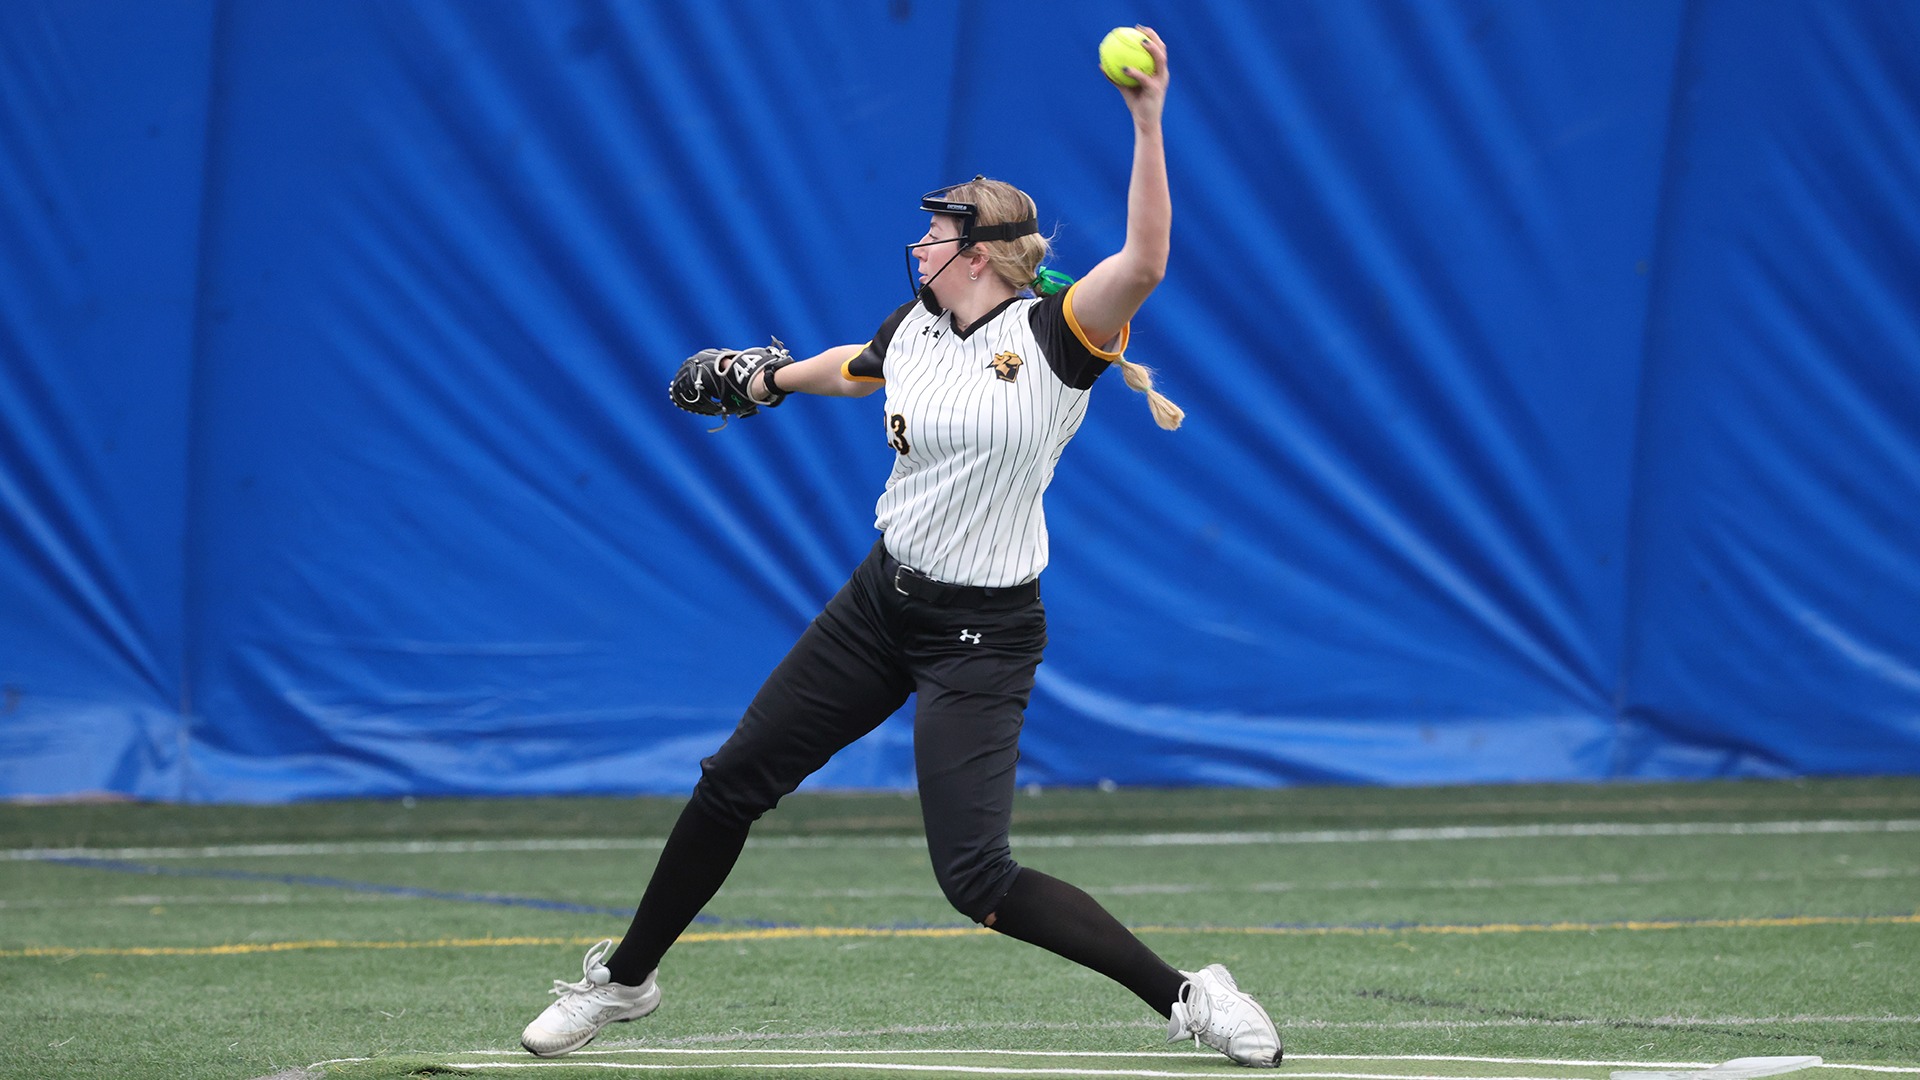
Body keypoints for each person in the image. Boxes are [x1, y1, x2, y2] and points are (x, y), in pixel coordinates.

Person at [519, 26, 1281, 1069]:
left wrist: (1148, 122)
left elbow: (1144, 259)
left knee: (976, 878)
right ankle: (623, 982)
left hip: (984, 634)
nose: (917, 244)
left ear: (976, 251)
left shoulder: (1058, 336)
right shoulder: (918, 324)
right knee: (733, 779)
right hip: (883, 602)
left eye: (934, 234)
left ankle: (1189, 993)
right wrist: (763, 379)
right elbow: (858, 365)